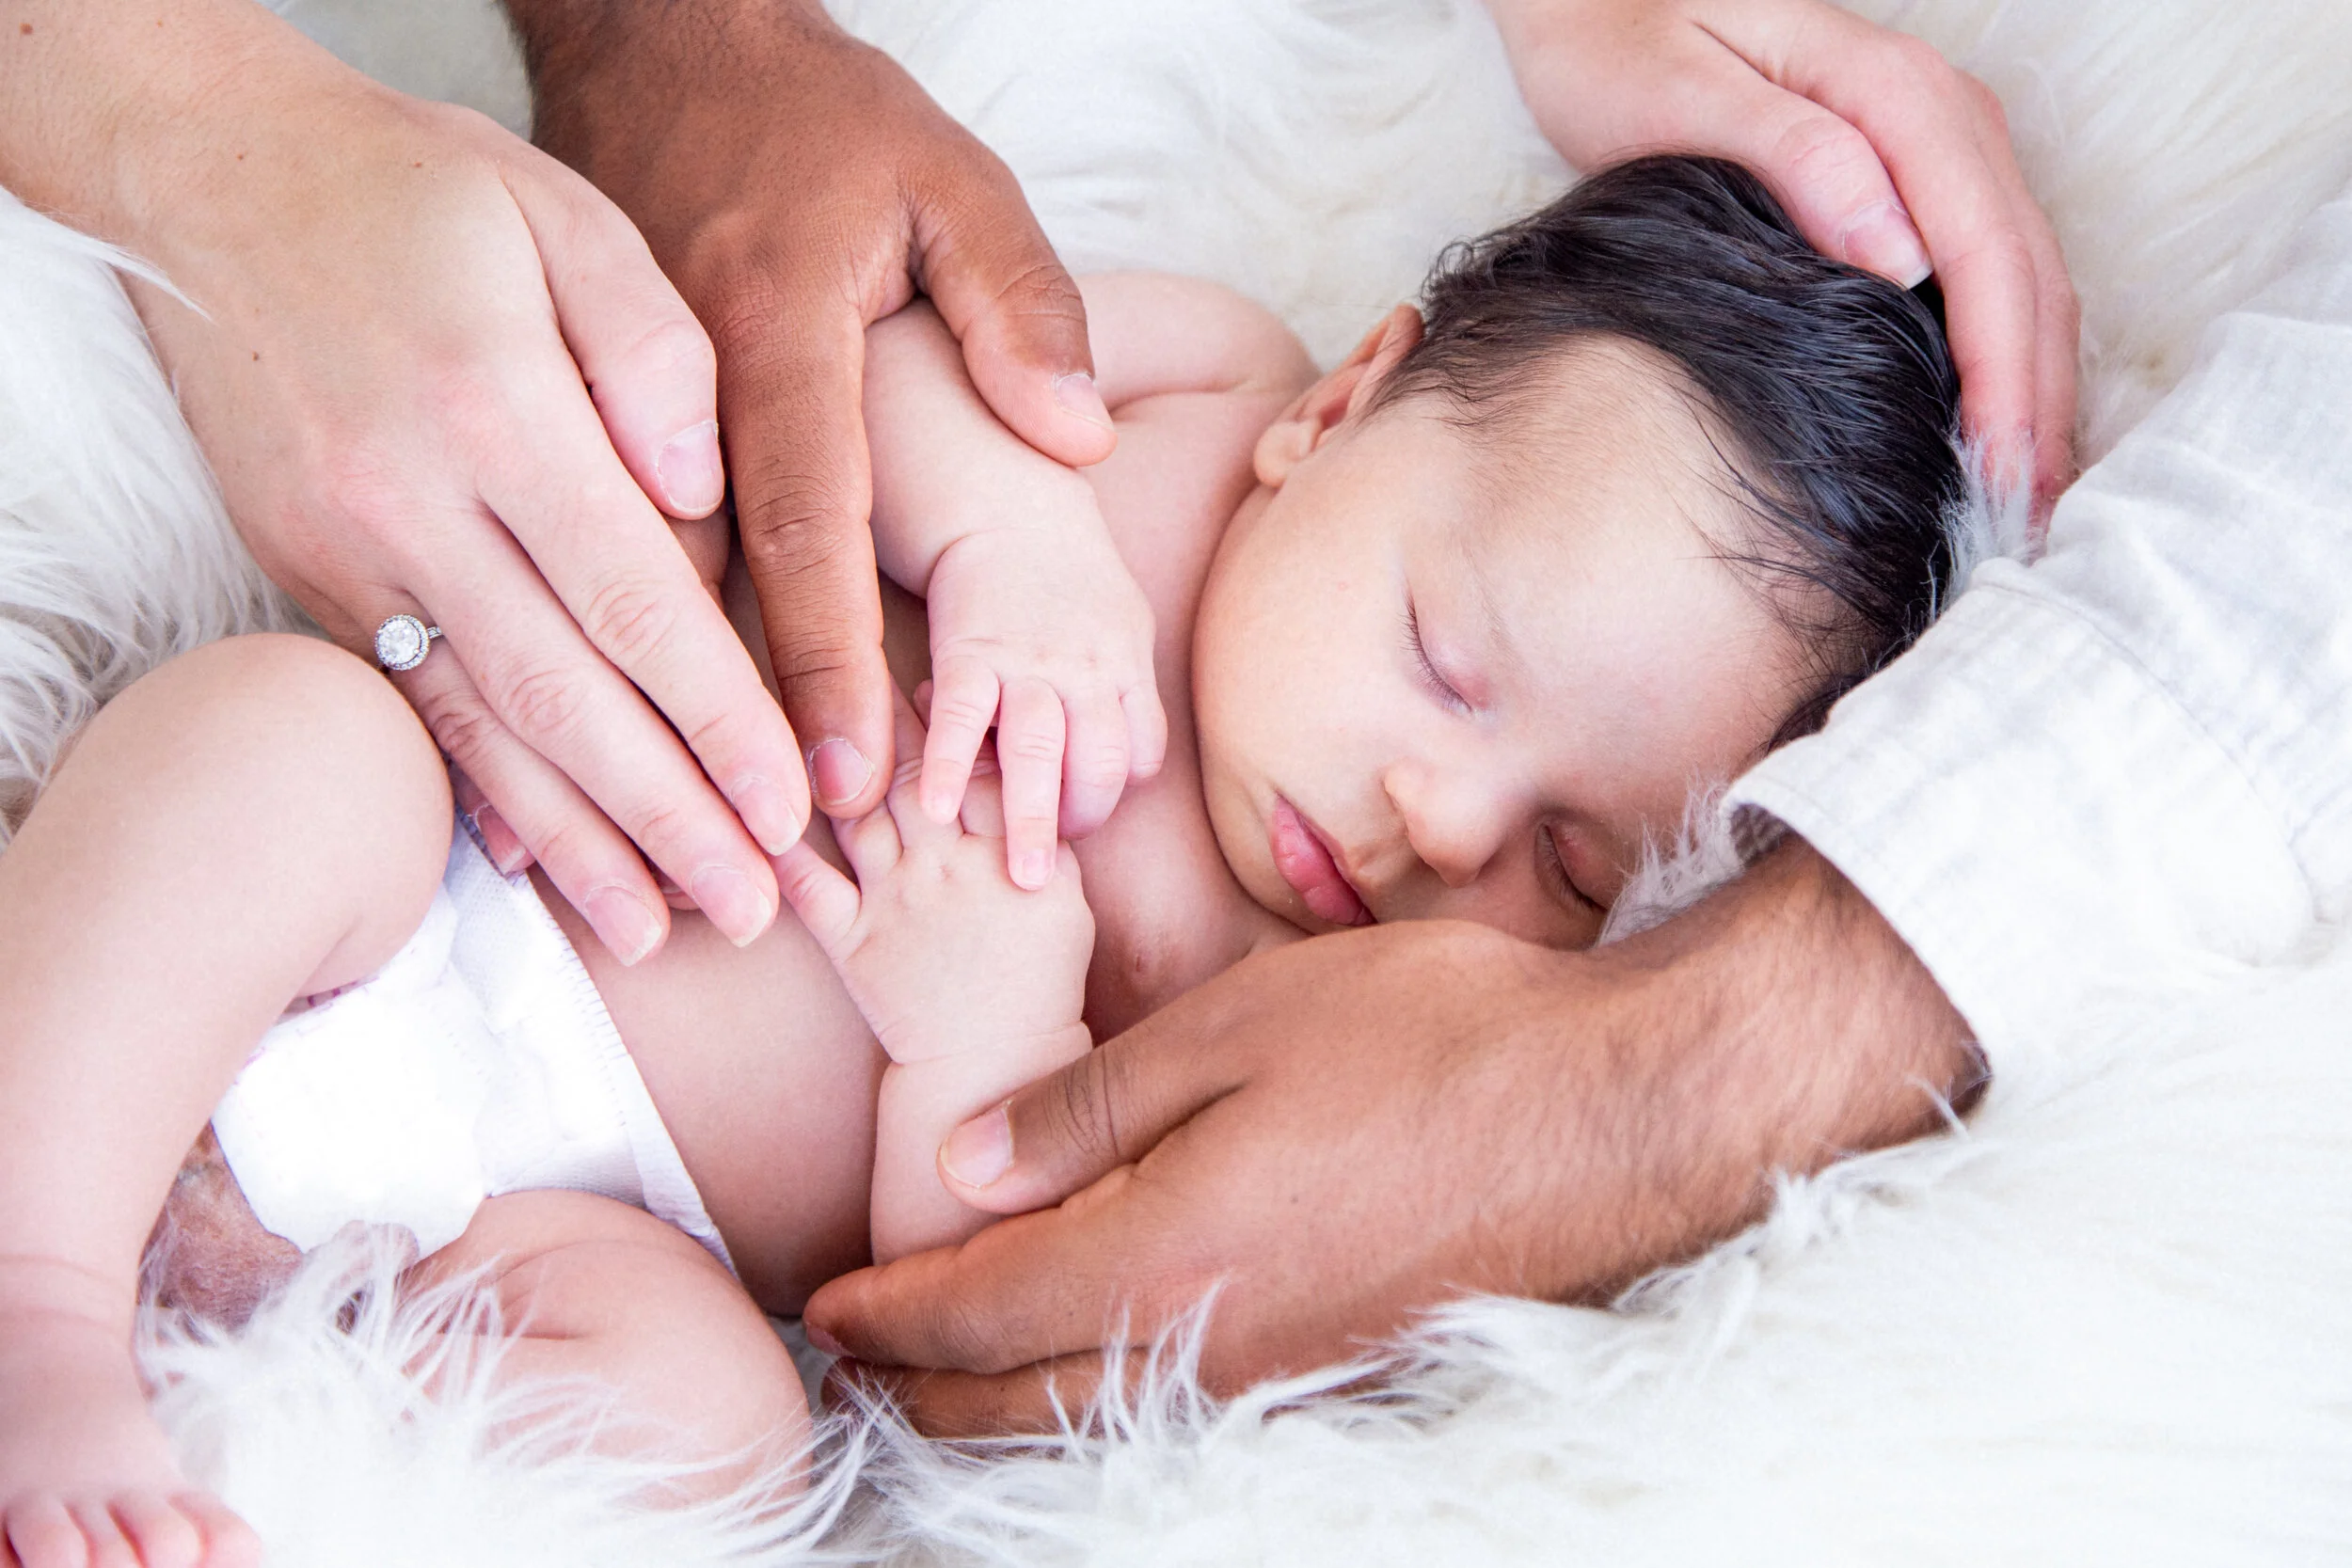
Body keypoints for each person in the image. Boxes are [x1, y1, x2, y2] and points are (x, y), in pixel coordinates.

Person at [0, 0, 2074, 1439]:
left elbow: (989, 1278)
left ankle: (249, 1438)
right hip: (443, 876)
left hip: (586, 1215)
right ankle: (43, 1297)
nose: (1445, 820)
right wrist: (1005, 535)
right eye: (1443, 656)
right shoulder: (1181, 408)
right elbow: (860, 335)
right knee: (283, 746)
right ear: (1340, 405)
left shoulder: (1339, 999)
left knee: (715, 1420)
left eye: (1574, 860)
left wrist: (981, 1037)